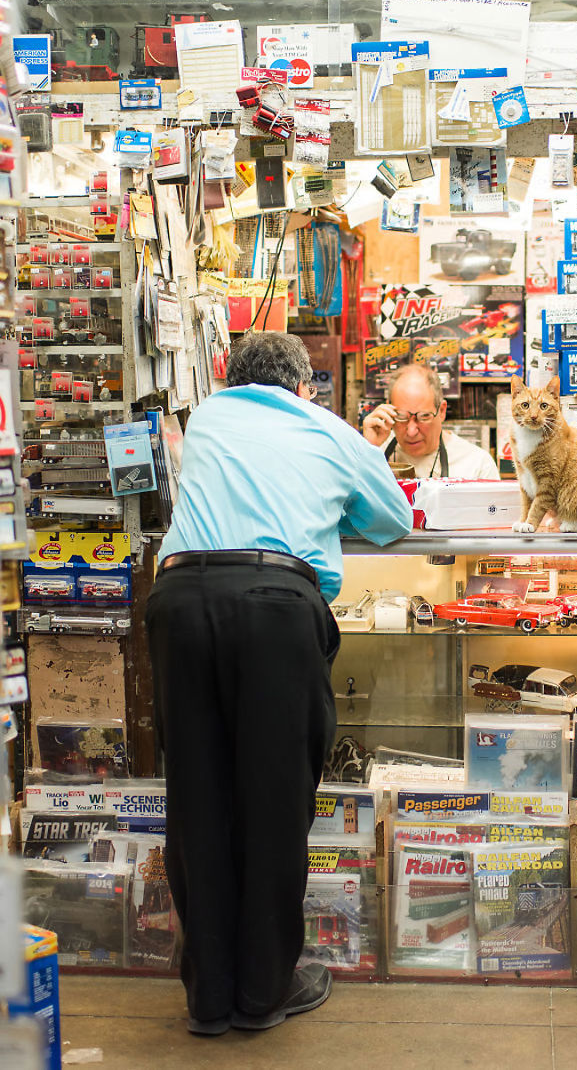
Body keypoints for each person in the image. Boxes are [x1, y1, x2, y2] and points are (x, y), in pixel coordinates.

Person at [145, 332, 412, 1038]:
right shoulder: (327, 427)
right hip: (272, 604)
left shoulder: (203, 419)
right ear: (303, 388)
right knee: (272, 803)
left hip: (179, 601)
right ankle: (262, 993)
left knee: (196, 800)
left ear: (231, 379)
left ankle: (208, 998)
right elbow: (393, 521)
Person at [361, 363, 500, 479]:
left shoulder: (477, 466)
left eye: (423, 417)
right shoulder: (375, 453)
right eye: (401, 416)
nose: (411, 431)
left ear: (441, 411)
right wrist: (368, 449)